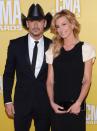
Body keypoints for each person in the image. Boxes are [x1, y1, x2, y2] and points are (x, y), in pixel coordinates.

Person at [3, 3, 52, 131]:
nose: (35, 25)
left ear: (45, 23)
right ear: (27, 23)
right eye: (32, 21)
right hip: (21, 104)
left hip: (45, 104)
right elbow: (8, 74)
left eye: (39, 21)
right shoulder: (15, 45)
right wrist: (7, 101)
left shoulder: (53, 45)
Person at [46, 9, 96, 131]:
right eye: (58, 26)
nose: (61, 29)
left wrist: (78, 103)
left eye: (64, 24)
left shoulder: (86, 48)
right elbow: (50, 81)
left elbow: (87, 80)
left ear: (72, 24)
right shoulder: (53, 50)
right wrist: (52, 103)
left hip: (76, 107)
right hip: (57, 109)